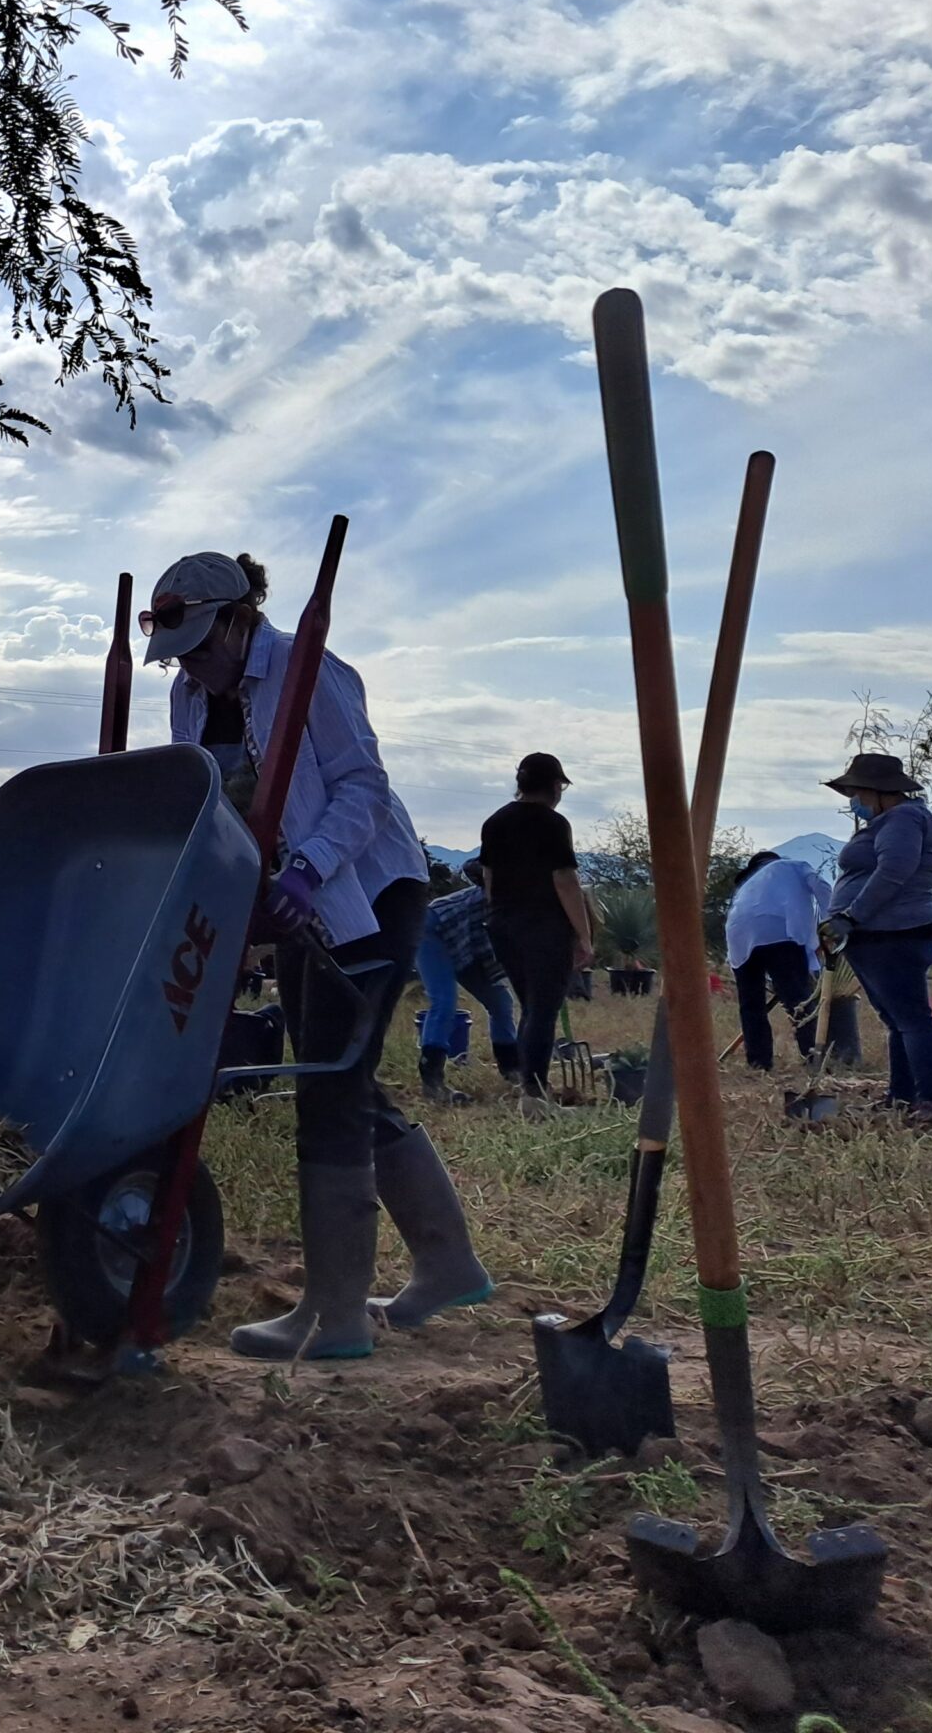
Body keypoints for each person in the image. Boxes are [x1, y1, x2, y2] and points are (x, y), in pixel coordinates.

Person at [146, 551, 492, 1360]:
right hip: (286, 909)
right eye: (179, 650)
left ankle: (334, 1314)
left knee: (330, 1089)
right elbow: (207, 809)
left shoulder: (311, 672)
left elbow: (363, 788)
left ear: (239, 619)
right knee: (346, 1077)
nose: (192, 663)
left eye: (202, 643)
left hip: (363, 896)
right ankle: (447, 1262)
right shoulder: (189, 695)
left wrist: (308, 868)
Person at [820, 753, 932, 1122]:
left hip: (895, 933)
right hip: (875, 935)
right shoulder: (889, 820)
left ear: (878, 791)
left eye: (856, 792)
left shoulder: (904, 818)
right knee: (898, 1020)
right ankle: (902, 1096)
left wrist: (851, 914)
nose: (853, 801)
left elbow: (894, 871)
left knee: (912, 1019)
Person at [477, 754, 595, 1100]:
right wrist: (584, 936)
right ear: (555, 786)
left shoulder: (494, 822)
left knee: (530, 1005)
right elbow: (565, 880)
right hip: (544, 926)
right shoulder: (553, 824)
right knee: (544, 1009)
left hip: (503, 924)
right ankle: (534, 1090)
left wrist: (500, 912)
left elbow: (488, 876)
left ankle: (526, 1079)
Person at [413, 859, 520, 1102]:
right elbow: (473, 866)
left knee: (501, 1002)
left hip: (468, 942)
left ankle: (512, 1069)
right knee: (444, 1001)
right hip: (434, 928)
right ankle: (433, 1083)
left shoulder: (520, 904)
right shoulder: (499, 893)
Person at [724, 848, 829, 1072]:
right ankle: (813, 1059)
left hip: (739, 939)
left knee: (751, 1006)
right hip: (780, 934)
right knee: (798, 1000)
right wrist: (832, 922)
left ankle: (758, 1063)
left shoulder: (744, 888)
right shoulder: (793, 866)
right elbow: (822, 887)